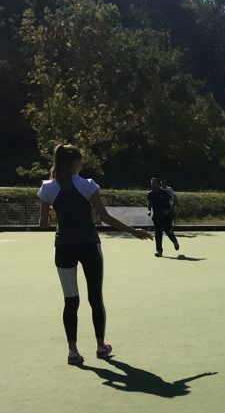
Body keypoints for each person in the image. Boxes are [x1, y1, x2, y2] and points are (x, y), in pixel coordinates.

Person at [38, 144, 151, 365]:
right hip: (89, 245)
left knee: (71, 301)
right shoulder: (88, 186)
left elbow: (43, 225)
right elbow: (105, 218)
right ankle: (100, 347)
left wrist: (53, 214)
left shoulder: (48, 189)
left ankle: (73, 352)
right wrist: (133, 231)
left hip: (64, 247)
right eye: (80, 160)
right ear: (74, 163)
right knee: (95, 298)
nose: (82, 164)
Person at [147, 177, 178, 257]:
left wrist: (169, 210)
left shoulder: (165, 193)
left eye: (154, 183)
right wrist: (149, 210)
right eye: (151, 183)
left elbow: (175, 199)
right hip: (156, 217)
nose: (152, 184)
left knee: (168, 231)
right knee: (158, 233)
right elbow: (149, 203)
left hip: (166, 216)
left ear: (158, 184)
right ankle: (159, 251)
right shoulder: (150, 194)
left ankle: (174, 241)